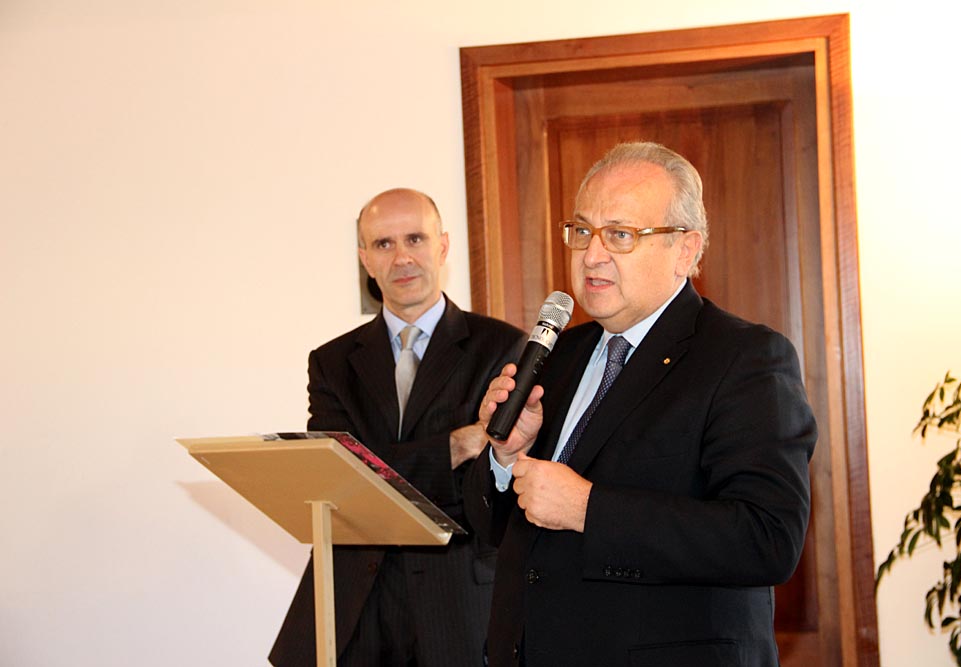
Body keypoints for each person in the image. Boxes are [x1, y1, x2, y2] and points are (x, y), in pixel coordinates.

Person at [466, 142, 817, 667]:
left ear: (685, 250)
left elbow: (767, 538)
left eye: (621, 235)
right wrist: (505, 458)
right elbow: (495, 530)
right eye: (582, 231)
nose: (592, 255)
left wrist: (589, 509)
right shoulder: (558, 355)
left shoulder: (744, 358)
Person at [270, 188, 526, 667]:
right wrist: (456, 445)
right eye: (384, 244)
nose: (402, 258)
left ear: (443, 246)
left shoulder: (504, 348)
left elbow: (489, 489)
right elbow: (340, 479)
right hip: (356, 607)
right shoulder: (331, 363)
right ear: (365, 259)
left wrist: (381, 464)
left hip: (459, 605)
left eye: (415, 239)